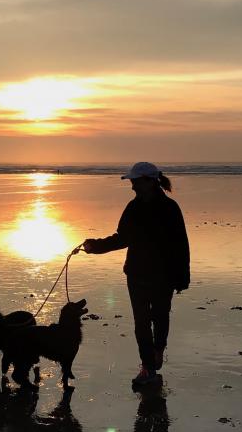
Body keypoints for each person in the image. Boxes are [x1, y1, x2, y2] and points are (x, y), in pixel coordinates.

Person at [80, 162, 190, 386]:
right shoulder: (133, 207)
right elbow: (123, 237)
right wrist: (95, 246)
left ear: (149, 181)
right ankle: (148, 367)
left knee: (160, 317)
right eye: (132, 182)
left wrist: (182, 277)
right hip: (136, 273)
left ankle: (158, 349)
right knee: (141, 322)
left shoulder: (170, 208)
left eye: (135, 182)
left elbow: (181, 244)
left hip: (164, 275)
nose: (132, 187)